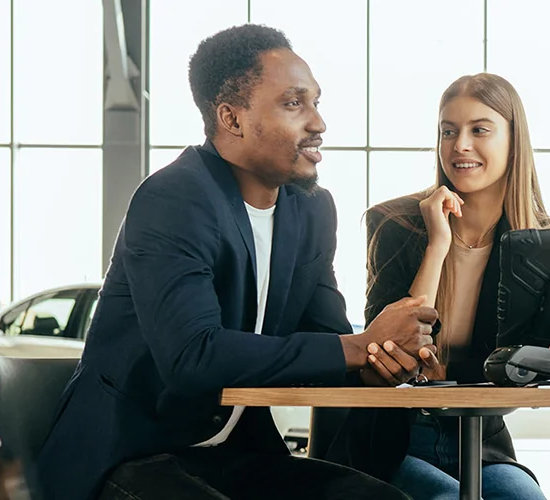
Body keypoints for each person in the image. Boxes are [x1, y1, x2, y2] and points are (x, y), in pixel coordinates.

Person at [36, 25, 434, 500]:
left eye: (316, 102)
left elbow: (329, 340)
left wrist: (378, 358)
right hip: (132, 455)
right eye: (294, 104)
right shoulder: (174, 199)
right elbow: (193, 357)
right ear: (232, 117)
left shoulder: (310, 209)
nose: (318, 123)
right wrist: (358, 347)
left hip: (235, 453)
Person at [320, 73, 550, 500]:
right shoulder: (394, 224)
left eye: (479, 129)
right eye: (449, 131)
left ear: (514, 140)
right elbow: (388, 360)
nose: (459, 144)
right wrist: (438, 246)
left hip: (480, 441)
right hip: (390, 442)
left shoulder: (540, 241)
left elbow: (529, 369)